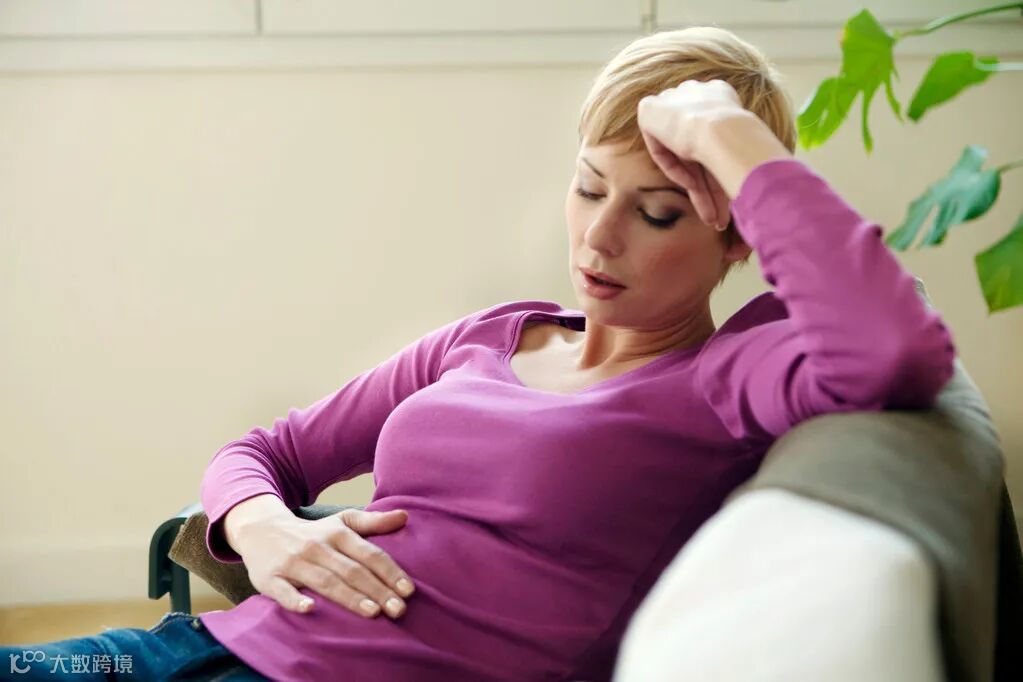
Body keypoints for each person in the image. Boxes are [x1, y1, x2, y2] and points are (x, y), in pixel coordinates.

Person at [1, 26, 956, 682]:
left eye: (658, 213)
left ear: (737, 234)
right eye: (589, 189)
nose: (599, 237)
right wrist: (262, 529)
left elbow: (890, 348)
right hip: (200, 650)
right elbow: (267, 451)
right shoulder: (492, 336)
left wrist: (729, 136)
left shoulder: (728, 379)